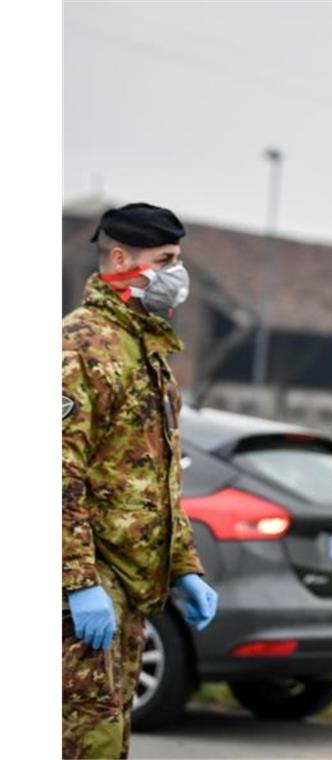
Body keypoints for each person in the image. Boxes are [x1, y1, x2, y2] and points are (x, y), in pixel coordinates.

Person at [63, 203, 219, 759]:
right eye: (167, 260)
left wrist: (183, 568)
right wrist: (77, 582)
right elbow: (56, 471)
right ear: (122, 258)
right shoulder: (80, 346)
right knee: (87, 739)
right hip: (86, 588)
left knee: (111, 734)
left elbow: (156, 479)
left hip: (129, 591)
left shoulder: (147, 353)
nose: (177, 275)